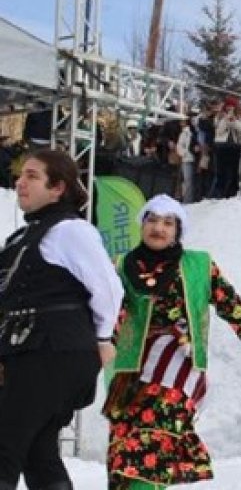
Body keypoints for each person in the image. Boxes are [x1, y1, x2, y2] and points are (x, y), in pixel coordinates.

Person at [104, 194, 241, 489]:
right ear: (142, 225)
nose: (159, 228)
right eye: (152, 220)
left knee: (153, 437)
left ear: (178, 231)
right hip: (133, 366)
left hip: (179, 361)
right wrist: (100, 343)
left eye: (168, 223)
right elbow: (109, 312)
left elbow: (228, 303)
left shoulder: (199, 264)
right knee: (125, 442)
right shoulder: (121, 265)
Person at [0, 150, 124, 490]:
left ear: (58, 188)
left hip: (54, 349)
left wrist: (103, 338)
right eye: (20, 175)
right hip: (30, 350)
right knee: (38, 453)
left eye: (32, 176)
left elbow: (108, 287)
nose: (20, 182)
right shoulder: (23, 237)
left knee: (5, 443)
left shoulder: (70, 230)